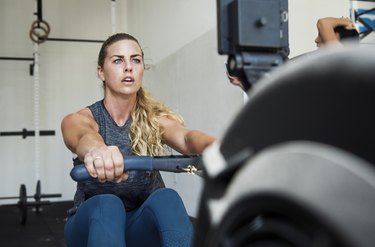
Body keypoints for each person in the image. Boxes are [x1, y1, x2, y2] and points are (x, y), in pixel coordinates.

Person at [61, 33, 216, 247]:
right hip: (89, 228)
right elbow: (82, 135)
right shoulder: (82, 118)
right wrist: (97, 150)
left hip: (138, 226)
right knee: (107, 204)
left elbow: (187, 138)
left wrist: (216, 147)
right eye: (118, 60)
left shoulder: (153, 120)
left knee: (167, 198)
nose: (128, 67)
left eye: (136, 60)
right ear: (101, 72)